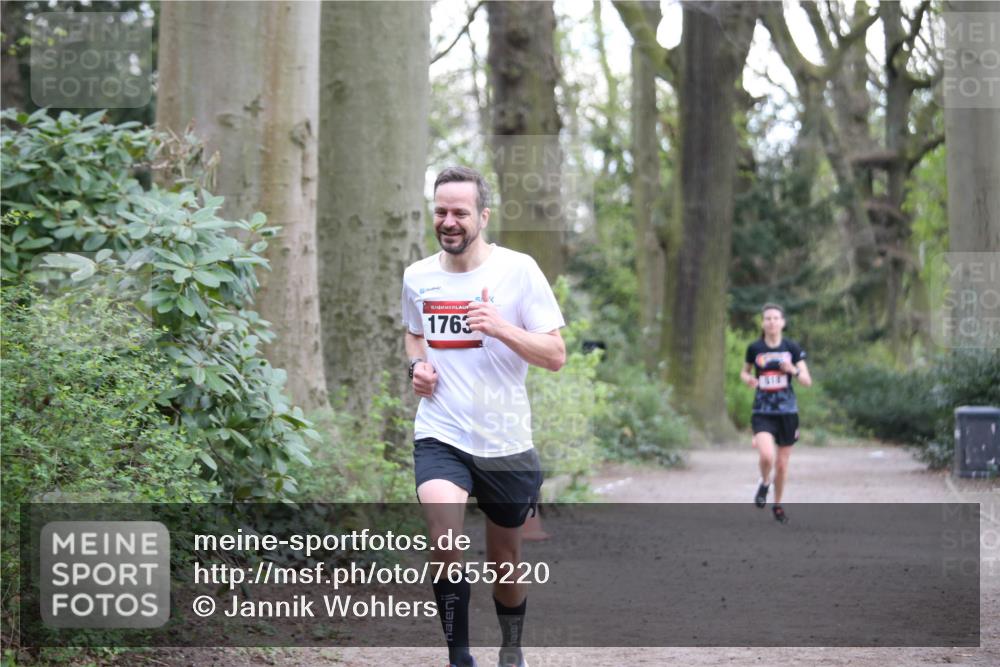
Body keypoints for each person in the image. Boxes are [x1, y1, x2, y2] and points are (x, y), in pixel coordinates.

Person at [401, 166, 566, 667]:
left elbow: (555, 354)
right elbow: (413, 332)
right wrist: (417, 366)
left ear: (483, 216)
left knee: (505, 562)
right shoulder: (418, 276)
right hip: (441, 431)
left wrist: (500, 328)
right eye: (441, 212)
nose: (449, 222)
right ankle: (459, 657)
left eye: (460, 213)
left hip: (505, 441)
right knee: (444, 537)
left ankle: (511, 647)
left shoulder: (518, 270)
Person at [740, 303, 812, 523]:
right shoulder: (755, 348)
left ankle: (777, 505)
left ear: (783, 322)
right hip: (762, 410)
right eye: (767, 318)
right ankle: (764, 483)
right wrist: (749, 379)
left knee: (781, 464)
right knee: (766, 456)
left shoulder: (792, 348)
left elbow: (807, 381)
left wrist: (793, 370)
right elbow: (744, 372)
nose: (771, 322)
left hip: (787, 412)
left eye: (775, 318)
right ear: (763, 323)